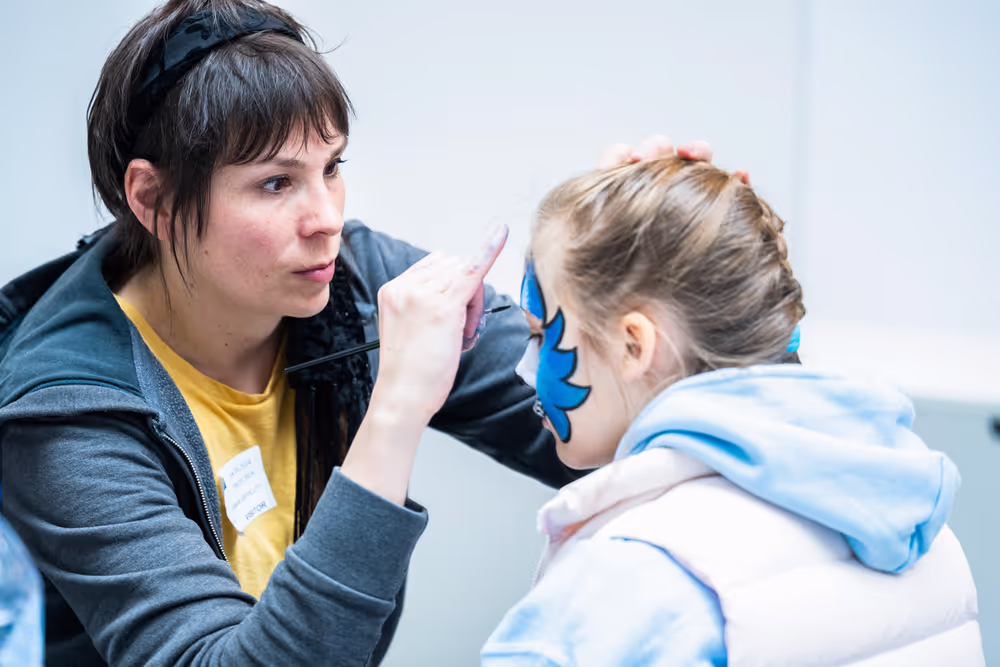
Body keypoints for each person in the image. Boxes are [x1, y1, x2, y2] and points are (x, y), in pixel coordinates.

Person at [0, 0, 709, 664]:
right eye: (276, 183)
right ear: (151, 198)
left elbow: (619, 431)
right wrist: (397, 407)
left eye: (331, 167)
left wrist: (665, 271)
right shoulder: (65, 413)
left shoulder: (348, 279)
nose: (326, 218)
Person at [482, 157, 984, 666]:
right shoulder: (923, 531)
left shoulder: (614, 587)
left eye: (542, 335)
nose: (523, 369)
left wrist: (397, 425)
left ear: (634, 345)